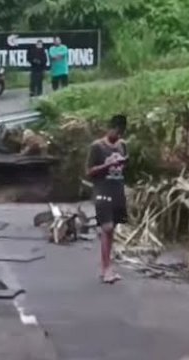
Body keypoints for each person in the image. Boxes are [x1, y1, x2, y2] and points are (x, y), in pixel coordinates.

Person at [86, 115, 128, 284]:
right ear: (109, 128)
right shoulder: (97, 147)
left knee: (112, 230)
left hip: (117, 190)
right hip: (102, 190)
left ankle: (108, 265)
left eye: (121, 133)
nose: (117, 135)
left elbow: (124, 167)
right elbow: (89, 171)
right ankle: (105, 268)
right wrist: (107, 166)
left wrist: (124, 163)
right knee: (107, 227)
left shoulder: (123, 146)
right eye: (116, 131)